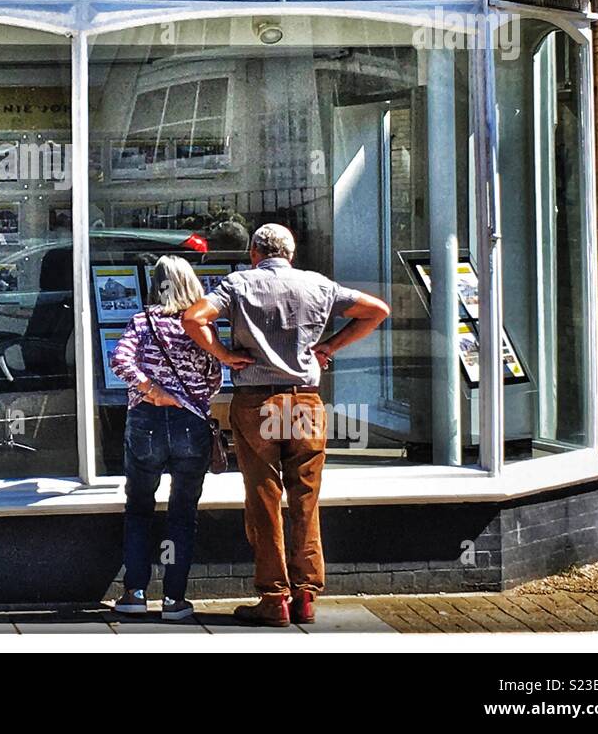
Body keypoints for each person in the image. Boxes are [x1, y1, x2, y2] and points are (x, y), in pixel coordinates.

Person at [182, 223, 390, 627]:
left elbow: (194, 318)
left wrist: (223, 354)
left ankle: (274, 596)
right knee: (305, 498)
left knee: (263, 497)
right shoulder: (318, 284)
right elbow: (377, 310)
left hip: (257, 400)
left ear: (254, 253)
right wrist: (329, 346)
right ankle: (307, 594)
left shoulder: (237, 284)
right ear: (291, 255)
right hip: (306, 400)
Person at [109, 255, 238, 621]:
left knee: (138, 508)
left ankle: (134, 593)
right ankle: (173, 600)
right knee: (183, 512)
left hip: (145, 421)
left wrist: (151, 390)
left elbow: (120, 360)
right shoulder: (199, 326)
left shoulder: (142, 321)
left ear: (156, 284)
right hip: (190, 424)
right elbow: (214, 376)